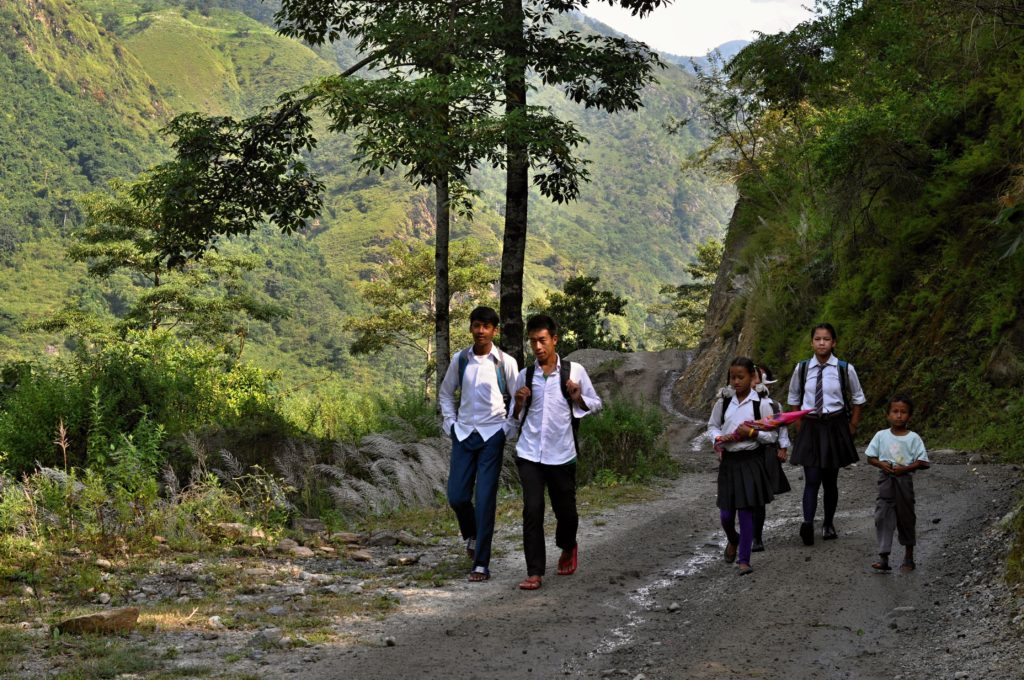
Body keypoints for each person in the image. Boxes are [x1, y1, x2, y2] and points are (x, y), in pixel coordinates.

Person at [509, 314, 602, 591]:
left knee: (567, 513)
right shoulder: (525, 375)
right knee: (532, 510)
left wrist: (578, 397)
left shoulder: (574, 372)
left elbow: (596, 404)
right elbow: (514, 419)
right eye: (533, 341)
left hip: (561, 453)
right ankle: (535, 572)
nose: (537, 347)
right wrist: (518, 403)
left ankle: (567, 544)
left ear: (554, 340)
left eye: (542, 340)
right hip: (529, 454)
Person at [438, 306, 519, 582]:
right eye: (476, 325)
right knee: (457, 496)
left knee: (484, 499)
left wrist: (507, 428)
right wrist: (450, 423)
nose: (481, 331)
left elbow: (516, 396)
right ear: (471, 328)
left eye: (486, 326)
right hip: (463, 435)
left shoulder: (504, 362)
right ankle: (472, 534)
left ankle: (481, 563)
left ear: (494, 330)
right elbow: (446, 393)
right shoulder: (461, 360)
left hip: (491, 436)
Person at [787, 323, 866, 546]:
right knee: (812, 478)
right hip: (810, 426)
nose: (822, 343)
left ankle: (828, 523)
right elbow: (794, 397)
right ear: (812, 342)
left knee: (830, 480)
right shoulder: (802, 369)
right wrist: (798, 423)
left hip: (835, 426)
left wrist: (852, 424)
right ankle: (808, 524)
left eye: (827, 339)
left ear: (834, 342)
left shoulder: (844, 368)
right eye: (818, 339)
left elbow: (858, 398)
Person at [708, 357, 777, 575]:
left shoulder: (762, 405)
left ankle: (744, 559)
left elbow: (772, 435)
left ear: (752, 377)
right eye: (732, 377)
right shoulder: (724, 403)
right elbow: (712, 426)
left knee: (746, 512)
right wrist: (718, 439)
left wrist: (754, 433)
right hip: (729, 462)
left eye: (741, 377)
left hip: (751, 461)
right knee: (726, 515)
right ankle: (733, 539)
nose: (736, 381)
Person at [865, 395, 929, 573]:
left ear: (909, 416)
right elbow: (870, 457)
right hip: (885, 480)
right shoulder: (881, 436)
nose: (899, 415)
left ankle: (908, 557)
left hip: (904, 481)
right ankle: (883, 558)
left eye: (903, 412)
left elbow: (923, 461)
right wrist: (881, 464)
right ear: (888, 415)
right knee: (882, 516)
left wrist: (906, 468)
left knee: (906, 517)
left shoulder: (913, 438)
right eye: (895, 411)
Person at [751, 365, 791, 552]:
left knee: (758, 497)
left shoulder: (773, 405)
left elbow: (781, 427)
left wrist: (782, 447)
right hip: (743, 453)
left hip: (764, 451)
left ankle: (756, 537)